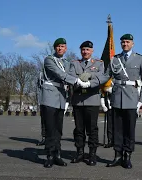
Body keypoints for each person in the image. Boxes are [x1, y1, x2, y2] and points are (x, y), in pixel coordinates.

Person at [40, 37, 89, 168]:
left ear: (66, 49)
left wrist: (84, 77)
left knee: (58, 129)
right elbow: (60, 74)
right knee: (50, 128)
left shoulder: (67, 63)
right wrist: (77, 81)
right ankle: (50, 155)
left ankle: (58, 155)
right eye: (58, 46)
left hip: (61, 97)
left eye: (63, 46)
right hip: (50, 95)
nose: (60, 48)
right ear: (55, 48)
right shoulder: (49, 60)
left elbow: (71, 74)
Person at [104, 33, 142, 169]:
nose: (125, 44)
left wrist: (141, 101)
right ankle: (117, 155)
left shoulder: (139, 59)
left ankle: (127, 156)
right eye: (123, 42)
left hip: (132, 98)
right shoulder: (115, 59)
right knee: (117, 129)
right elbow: (106, 75)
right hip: (117, 97)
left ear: (132, 44)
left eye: (128, 42)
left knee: (129, 130)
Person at [68, 41, 109, 166]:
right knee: (79, 129)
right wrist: (79, 81)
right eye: (83, 50)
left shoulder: (99, 63)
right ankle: (80, 152)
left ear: (92, 51)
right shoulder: (74, 63)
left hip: (92, 99)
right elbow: (70, 75)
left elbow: (102, 77)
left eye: (87, 50)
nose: (85, 52)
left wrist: (90, 78)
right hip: (78, 100)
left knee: (92, 130)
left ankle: (92, 154)